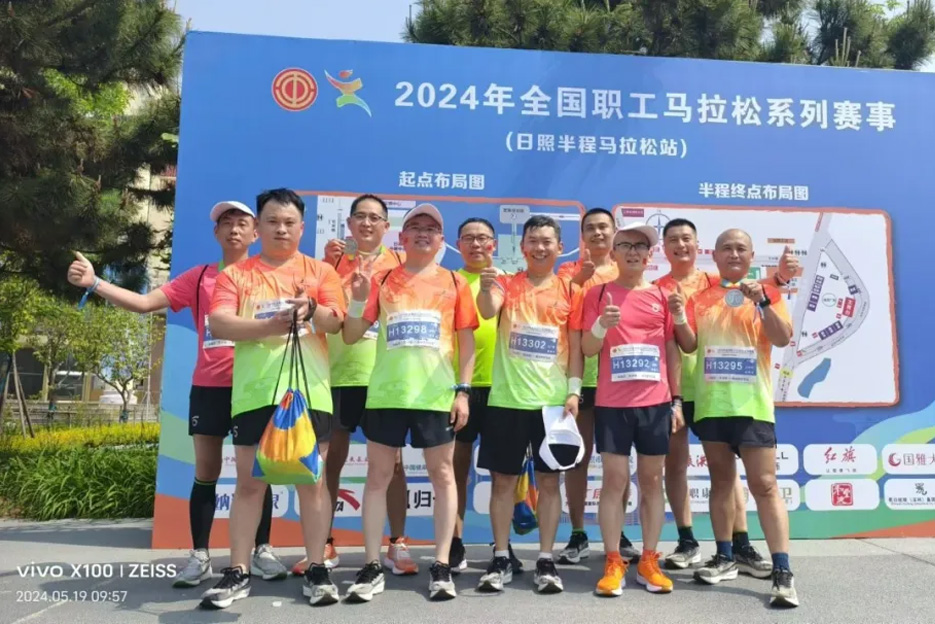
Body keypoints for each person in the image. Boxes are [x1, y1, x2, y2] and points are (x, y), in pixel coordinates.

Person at [66, 201, 288, 587]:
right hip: (209, 388)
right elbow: (144, 304)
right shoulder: (199, 278)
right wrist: (95, 283)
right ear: (216, 233)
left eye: (242, 223)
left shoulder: (268, 276)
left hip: (255, 387)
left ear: (256, 234)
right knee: (206, 471)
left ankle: (262, 550)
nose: (234, 229)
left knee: (256, 473)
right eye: (226, 223)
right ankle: (200, 555)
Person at [204, 188, 345, 608]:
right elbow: (219, 323)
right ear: (258, 228)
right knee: (250, 485)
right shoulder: (236, 275)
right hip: (255, 393)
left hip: (310, 393)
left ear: (302, 228)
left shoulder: (321, 272)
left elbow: (336, 322)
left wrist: (311, 309)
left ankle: (317, 567)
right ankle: (237, 570)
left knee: (312, 484)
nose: (281, 229)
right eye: (272, 221)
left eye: (289, 222)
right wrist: (270, 326)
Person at [342, 203, 477, 601]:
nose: (422, 232)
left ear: (441, 240)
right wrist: (357, 299)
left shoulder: (455, 282)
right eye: (415, 226)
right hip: (387, 394)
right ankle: (370, 565)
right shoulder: (383, 279)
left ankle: (441, 564)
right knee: (377, 478)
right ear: (401, 237)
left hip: (436, 396)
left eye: (430, 228)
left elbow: (466, 342)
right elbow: (350, 334)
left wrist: (463, 392)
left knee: (443, 476)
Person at [653, 218, 797, 576]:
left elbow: (758, 291)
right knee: (684, 467)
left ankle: (740, 545)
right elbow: (680, 342)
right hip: (684, 390)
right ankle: (690, 542)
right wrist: (673, 395)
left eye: (687, 239)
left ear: (698, 246)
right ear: (664, 248)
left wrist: (778, 280)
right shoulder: (658, 288)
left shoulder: (713, 281)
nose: (681, 245)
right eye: (673, 240)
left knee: (740, 478)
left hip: (734, 398)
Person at [288, 194, 416, 577]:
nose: (367, 223)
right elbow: (312, 310)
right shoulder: (330, 264)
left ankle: (397, 543)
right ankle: (324, 543)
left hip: (384, 376)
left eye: (375, 218)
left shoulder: (400, 266)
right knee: (329, 463)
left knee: (393, 466)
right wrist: (329, 265)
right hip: (336, 375)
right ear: (349, 224)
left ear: (386, 226)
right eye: (360, 216)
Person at [475, 215, 584, 594]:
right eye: (533, 241)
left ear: (559, 247)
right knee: (503, 482)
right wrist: (485, 288)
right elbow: (487, 310)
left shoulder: (570, 290)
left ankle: (546, 559)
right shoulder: (506, 283)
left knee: (550, 483)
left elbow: (576, 348)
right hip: (506, 401)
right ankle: (500, 556)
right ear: (522, 247)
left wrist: (574, 391)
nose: (540, 247)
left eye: (547, 241)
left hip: (552, 406)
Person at [581, 222, 683, 596]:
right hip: (612, 404)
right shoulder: (598, 293)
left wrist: (676, 400)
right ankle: (613, 561)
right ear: (614, 252)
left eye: (641, 246)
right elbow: (587, 349)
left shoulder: (662, 295)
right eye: (626, 245)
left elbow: (672, 350)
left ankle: (649, 560)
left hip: (655, 404)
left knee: (652, 481)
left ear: (649, 255)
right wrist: (600, 327)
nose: (634, 252)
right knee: (615, 480)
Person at [556, 207, 640, 564]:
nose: (597, 233)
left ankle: (616, 532)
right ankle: (577, 533)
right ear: (582, 235)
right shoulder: (568, 271)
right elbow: (560, 311)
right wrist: (579, 281)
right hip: (578, 377)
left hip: (617, 380)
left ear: (614, 231)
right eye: (590, 228)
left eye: (603, 227)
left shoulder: (625, 271)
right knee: (577, 458)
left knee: (615, 463)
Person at [450, 217, 523, 574]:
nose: (476, 244)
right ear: (458, 244)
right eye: (469, 238)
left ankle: (502, 547)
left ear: (494, 244)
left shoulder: (510, 282)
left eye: (483, 238)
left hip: (501, 390)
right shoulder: (449, 280)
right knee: (454, 471)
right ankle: (453, 542)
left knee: (502, 475)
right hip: (457, 389)